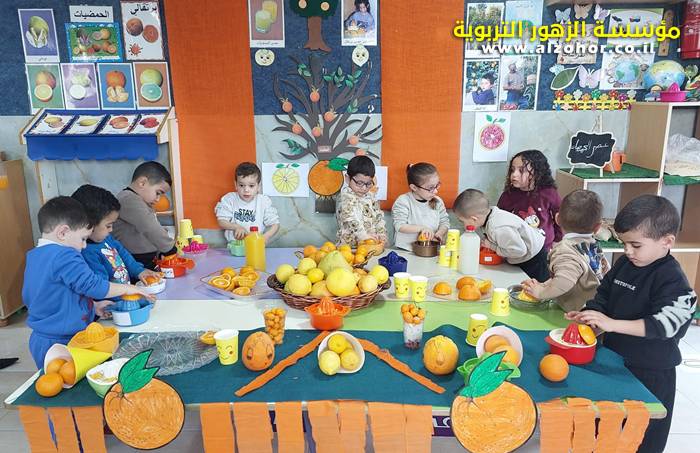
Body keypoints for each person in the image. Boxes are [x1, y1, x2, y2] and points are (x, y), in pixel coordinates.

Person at [567, 195, 697, 453]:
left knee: (641, 440)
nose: (627, 251)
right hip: (614, 362)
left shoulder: (673, 280)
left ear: (667, 241)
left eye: (635, 245)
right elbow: (604, 295)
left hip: (651, 375)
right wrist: (591, 316)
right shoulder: (626, 263)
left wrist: (612, 324)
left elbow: (664, 326)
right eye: (624, 243)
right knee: (604, 432)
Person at [23, 196, 153, 368]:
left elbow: (56, 297)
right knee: (67, 381)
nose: (84, 246)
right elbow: (93, 286)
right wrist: (127, 289)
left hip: (43, 339)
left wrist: (93, 307)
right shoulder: (64, 255)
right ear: (63, 233)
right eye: (83, 238)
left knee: (56, 380)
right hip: (62, 341)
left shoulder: (35, 255)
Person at [521, 190, 609, 311]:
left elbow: (564, 281)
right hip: (599, 306)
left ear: (557, 219)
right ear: (597, 227)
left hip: (580, 313)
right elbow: (569, 274)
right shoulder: (594, 245)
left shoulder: (564, 251)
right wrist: (543, 286)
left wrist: (541, 293)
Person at [72, 184, 161, 285]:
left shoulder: (107, 239)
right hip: (116, 294)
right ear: (88, 224)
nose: (111, 230)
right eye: (108, 225)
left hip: (127, 291)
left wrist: (139, 271)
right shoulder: (87, 252)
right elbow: (101, 287)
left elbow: (123, 254)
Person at [453, 189, 547, 281]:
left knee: (534, 287)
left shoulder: (498, 228)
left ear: (474, 219)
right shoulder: (490, 216)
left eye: (462, 221)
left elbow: (519, 250)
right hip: (526, 254)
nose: (463, 225)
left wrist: (492, 246)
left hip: (534, 258)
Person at [112, 162, 177, 270]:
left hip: (145, 260)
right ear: (142, 183)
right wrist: (169, 248)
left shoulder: (141, 202)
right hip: (133, 262)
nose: (158, 199)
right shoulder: (128, 199)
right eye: (158, 193)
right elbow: (149, 226)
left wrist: (160, 250)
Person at [498, 150, 562, 251]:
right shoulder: (508, 195)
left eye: (521, 170)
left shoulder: (549, 193)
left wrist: (557, 241)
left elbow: (561, 218)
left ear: (537, 173)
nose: (514, 175)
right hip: (517, 248)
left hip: (543, 249)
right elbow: (498, 219)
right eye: (512, 170)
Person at [215, 162, 279, 243]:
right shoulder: (230, 199)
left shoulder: (263, 201)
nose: (246, 190)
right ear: (236, 185)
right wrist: (236, 227)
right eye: (241, 185)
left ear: (258, 186)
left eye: (251, 186)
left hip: (255, 244)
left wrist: (266, 236)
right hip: (234, 244)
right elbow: (221, 221)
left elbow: (275, 224)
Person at [391, 163, 450, 251]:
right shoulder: (403, 201)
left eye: (437, 185)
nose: (436, 191)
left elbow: (444, 222)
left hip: (430, 250)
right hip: (405, 250)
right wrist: (422, 228)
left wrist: (440, 234)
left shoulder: (438, 202)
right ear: (414, 187)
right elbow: (400, 226)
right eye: (430, 188)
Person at [336, 155, 387, 247]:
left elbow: (378, 217)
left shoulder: (371, 196)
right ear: (347, 178)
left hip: (370, 244)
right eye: (359, 183)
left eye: (368, 183)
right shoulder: (345, 197)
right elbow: (350, 218)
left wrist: (381, 233)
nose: (364, 188)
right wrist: (363, 236)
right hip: (349, 247)